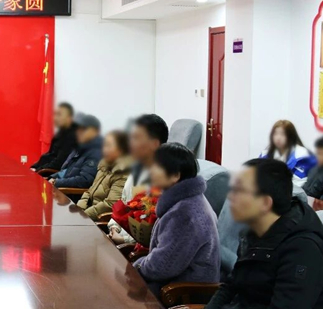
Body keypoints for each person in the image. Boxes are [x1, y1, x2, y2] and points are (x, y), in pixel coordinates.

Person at [184, 159, 323, 309]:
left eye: (239, 191)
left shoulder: (303, 251)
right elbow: (231, 285)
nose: (231, 197)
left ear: (265, 203)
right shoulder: (259, 230)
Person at [132, 143, 220, 295]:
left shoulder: (185, 213)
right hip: (172, 282)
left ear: (175, 175)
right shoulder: (188, 200)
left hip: (182, 293)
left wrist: (137, 267)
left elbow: (161, 267)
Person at [109, 114, 168, 245]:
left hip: (138, 248)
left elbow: (156, 231)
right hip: (120, 238)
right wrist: (114, 227)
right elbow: (124, 204)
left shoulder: (166, 177)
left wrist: (124, 240)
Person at [76, 130, 133, 221]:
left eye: (108, 146)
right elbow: (90, 191)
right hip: (87, 213)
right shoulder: (104, 165)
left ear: (121, 150)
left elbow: (110, 204)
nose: (104, 149)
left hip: (98, 220)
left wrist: (84, 216)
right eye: (104, 145)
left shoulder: (123, 173)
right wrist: (79, 208)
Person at [49, 114, 103, 190]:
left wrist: (57, 182)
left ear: (95, 131)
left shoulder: (96, 152)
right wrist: (51, 178)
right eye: (78, 129)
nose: (79, 132)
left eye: (83, 129)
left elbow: (84, 180)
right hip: (62, 188)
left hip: (71, 193)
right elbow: (66, 171)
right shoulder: (82, 147)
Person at [259, 119, 316, 186]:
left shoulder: (303, 156)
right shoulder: (265, 154)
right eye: (275, 134)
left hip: (297, 191)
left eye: (282, 134)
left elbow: (308, 182)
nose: (278, 138)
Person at [30, 102, 78, 172]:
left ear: (69, 118)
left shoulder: (70, 137)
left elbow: (58, 163)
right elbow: (49, 155)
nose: (56, 118)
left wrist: (38, 170)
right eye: (55, 114)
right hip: (44, 168)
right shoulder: (62, 132)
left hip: (50, 172)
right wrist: (34, 166)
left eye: (59, 115)